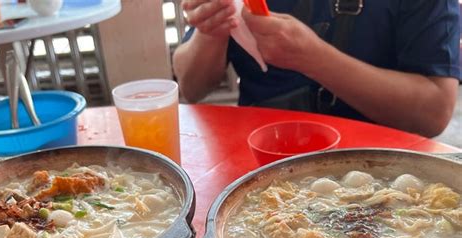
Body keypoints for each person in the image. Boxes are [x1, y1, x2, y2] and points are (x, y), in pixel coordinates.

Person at [172, 0, 461, 137]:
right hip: (256, 159)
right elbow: (191, 86)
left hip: (382, 166)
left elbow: (434, 111)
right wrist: (211, 27)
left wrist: (314, 58)